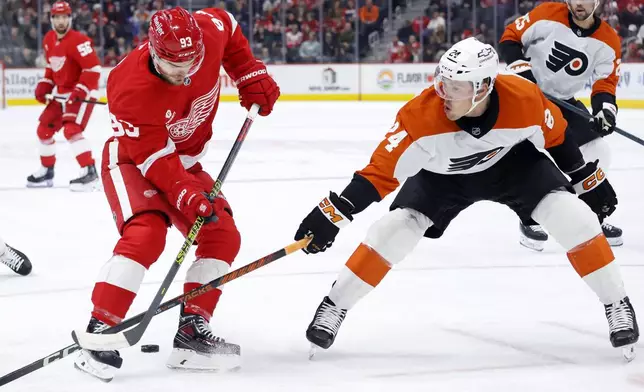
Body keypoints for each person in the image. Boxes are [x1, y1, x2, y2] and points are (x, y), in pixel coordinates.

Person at [294, 38, 638, 360]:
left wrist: (586, 180)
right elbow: (377, 175)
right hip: (441, 178)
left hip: (512, 166)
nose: (444, 94)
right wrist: (333, 214)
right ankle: (335, 305)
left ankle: (616, 303)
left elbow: (558, 137)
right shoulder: (419, 117)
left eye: (456, 88)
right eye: (442, 83)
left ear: (484, 87)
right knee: (393, 230)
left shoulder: (524, 98)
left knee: (574, 217)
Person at [73, 7, 279, 381]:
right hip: (134, 160)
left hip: (186, 164)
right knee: (147, 232)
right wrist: (185, 194)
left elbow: (229, 26)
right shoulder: (127, 84)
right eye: (172, 66)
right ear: (153, 51)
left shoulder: (208, 32)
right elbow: (154, 158)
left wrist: (249, 72)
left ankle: (191, 334)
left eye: (192, 62)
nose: (184, 73)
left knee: (222, 235)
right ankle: (99, 328)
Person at [499, 0, 623, 250]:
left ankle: (589, 214)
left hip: (562, 102)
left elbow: (604, 84)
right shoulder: (547, 13)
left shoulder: (608, 40)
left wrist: (605, 112)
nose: (579, 3)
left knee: (598, 149)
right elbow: (510, 37)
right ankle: (529, 217)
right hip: (526, 97)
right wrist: (522, 70)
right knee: (531, 155)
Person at [29, 1, 101, 191]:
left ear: (70, 18)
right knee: (44, 129)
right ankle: (47, 170)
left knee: (71, 129)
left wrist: (79, 91)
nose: (61, 21)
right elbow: (52, 68)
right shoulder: (48, 40)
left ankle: (90, 172)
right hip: (61, 95)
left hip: (82, 94)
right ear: (51, 19)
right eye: (57, 17)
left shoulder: (80, 41)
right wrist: (45, 84)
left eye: (64, 17)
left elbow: (93, 69)